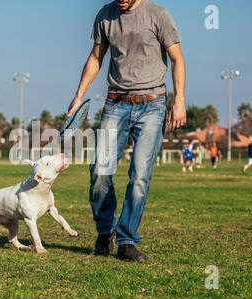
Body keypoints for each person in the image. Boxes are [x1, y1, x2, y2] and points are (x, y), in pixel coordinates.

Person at [67, 0, 186, 261]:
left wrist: (179, 101)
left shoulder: (158, 15)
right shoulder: (105, 15)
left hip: (153, 105)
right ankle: (104, 231)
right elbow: (96, 57)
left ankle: (127, 241)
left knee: (140, 176)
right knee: (99, 171)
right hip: (115, 104)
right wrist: (78, 97)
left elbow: (177, 59)